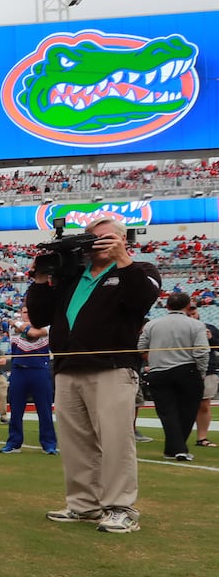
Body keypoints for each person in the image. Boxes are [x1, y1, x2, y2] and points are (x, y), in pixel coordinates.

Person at [27, 215, 161, 533]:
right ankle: (83, 505)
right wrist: (42, 277)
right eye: (91, 238)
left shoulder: (139, 270)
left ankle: (120, 507)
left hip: (112, 367)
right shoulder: (73, 278)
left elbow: (142, 300)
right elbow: (39, 317)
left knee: (116, 439)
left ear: (121, 240)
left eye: (104, 237)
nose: (96, 243)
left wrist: (122, 259)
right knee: (75, 442)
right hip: (67, 368)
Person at [138, 290, 208, 461]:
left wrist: (153, 359)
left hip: (159, 371)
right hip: (187, 370)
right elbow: (201, 351)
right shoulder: (195, 325)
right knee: (187, 411)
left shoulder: (152, 324)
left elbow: (140, 347)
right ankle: (179, 448)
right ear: (187, 306)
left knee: (167, 412)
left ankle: (173, 449)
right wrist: (201, 371)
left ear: (167, 306)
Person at [0, 306, 58, 455]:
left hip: (39, 371)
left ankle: (49, 444)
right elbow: (29, 331)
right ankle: (14, 443)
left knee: (44, 410)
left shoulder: (47, 327)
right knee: (16, 410)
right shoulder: (14, 326)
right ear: (21, 314)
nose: (28, 314)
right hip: (19, 371)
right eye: (25, 312)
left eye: (31, 312)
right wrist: (19, 325)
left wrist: (18, 324)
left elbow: (33, 333)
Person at [184, 300, 219, 448]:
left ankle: (202, 437)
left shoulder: (210, 328)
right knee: (183, 405)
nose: (192, 316)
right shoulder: (181, 330)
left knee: (204, 404)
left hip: (208, 370)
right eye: (189, 313)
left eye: (194, 313)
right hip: (185, 369)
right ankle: (179, 438)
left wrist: (211, 338)